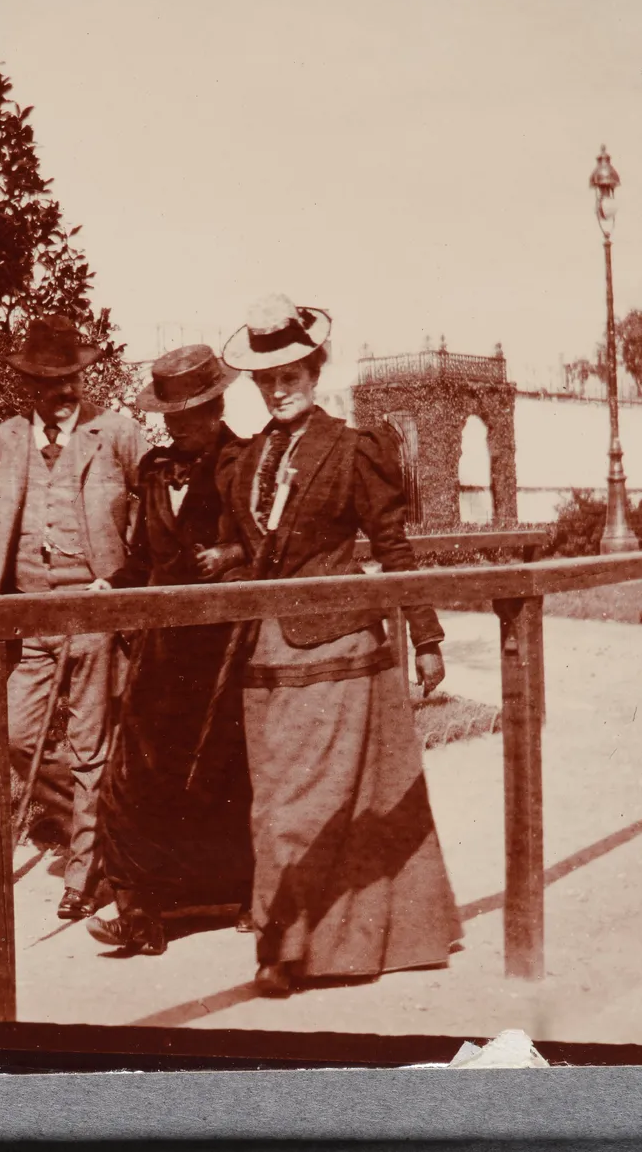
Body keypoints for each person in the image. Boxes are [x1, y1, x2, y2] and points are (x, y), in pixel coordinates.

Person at [207, 294, 462, 998]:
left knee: (310, 806)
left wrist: (427, 635)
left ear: (315, 372)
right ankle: (302, 940)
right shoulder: (246, 460)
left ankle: (284, 949)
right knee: (275, 804)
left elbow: (392, 545)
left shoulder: (353, 449)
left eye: (290, 375)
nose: (278, 389)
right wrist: (228, 556)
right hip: (266, 656)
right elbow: (259, 544)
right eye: (267, 379)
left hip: (340, 649)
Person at [0, 313, 146, 920]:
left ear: (81, 378)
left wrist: (125, 579)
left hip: (95, 612)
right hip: (31, 616)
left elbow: (155, 509)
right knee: (15, 733)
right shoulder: (6, 441)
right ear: (27, 384)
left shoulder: (116, 433)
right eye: (45, 381)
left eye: (69, 379)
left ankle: (84, 872)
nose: (60, 392)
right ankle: (99, 823)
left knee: (90, 745)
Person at [85, 345, 255, 957]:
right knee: (136, 770)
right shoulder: (155, 470)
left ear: (217, 407)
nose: (178, 426)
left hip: (223, 647)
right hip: (162, 650)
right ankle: (141, 911)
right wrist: (113, 584)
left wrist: (232, 555)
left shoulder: (244, 462)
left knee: (221, 770)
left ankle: (245, 893)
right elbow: (143, 560)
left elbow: (273, 545)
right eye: (171, 415)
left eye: (190, 413)